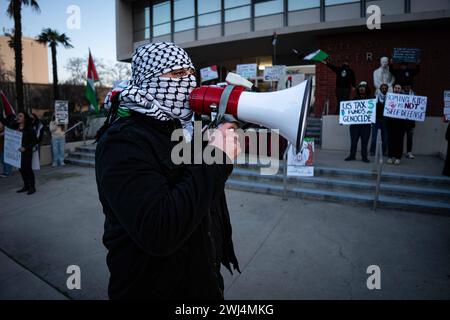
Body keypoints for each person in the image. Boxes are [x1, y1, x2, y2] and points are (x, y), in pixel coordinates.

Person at [95, 42, 241, 300]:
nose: (187, 81)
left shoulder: (182, 128)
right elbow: (160, 230)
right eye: (175, 74)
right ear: (148, 80)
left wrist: (208, 148)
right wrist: (216, 158)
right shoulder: (122, 142)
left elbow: (197, 194)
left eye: (189, 72)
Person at [345, 81, 373, 163]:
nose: (361, 88)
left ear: (366, 88)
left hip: (366, 126)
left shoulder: (371, 99)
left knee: (365, 142)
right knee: (353, 141)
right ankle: (352, 156)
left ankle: (364, 157)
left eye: (363, 87)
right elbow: (348, 111)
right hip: (355, 125)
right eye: (360, 87)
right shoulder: (354, 99)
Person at [11, 112, 38, 194]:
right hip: (17, 152)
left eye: (20, 116)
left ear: (25, 118)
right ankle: (26, 186)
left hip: (27, 152)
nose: (18, 117)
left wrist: (25, 148)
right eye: (17, 116)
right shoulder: (15, 127)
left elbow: (34, 141)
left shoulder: (29, 129)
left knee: (28, 169)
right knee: (21, 169)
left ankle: (32, 187)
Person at [386, 83, 407, 165]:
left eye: (398, 88)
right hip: (390, 123)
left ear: (400, 89)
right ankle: (390, 157)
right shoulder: (389, 98)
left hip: (401, 125)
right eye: (395, 87)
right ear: (393, 89)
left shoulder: (405, 99)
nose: (397, 89)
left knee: (399, 141)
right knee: (390, 140)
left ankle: (398, 157)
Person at [370, 83, 389, 157]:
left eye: (385, 88)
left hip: (385, 120)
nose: (384, 89)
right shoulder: (375, 98)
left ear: (387, 90)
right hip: (376, 120)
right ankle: (372, 151)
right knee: (374, 136)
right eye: (383, 88)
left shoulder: (389, 99)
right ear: (380, 89)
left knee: (385, 137)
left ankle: (384, 151)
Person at [402, 84, 416, 159]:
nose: (407, 87)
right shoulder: (400, 95)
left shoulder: (414, 95)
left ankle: (409, 152)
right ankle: (399, 152)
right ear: (404, 87)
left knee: (409, 138)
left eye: (408, 86)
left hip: (410, 121)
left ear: (410, 87)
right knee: (400, 138)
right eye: (406, 86)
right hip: (401, 121)